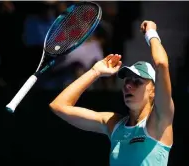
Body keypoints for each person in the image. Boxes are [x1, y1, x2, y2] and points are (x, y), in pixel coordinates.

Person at [49, 20, 174, 166]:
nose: (128, 86)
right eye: (127, 81)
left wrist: (151, 33)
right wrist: (95, 72)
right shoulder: (113, 124)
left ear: (153, 90)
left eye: (137, 82)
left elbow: (162, 64)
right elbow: (59, 106)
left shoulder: (160, 119)